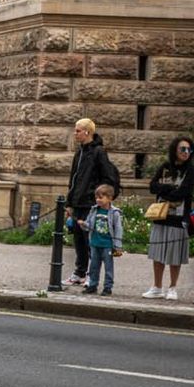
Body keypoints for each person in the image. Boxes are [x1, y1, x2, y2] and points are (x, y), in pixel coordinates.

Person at [63, 118, 120, 286]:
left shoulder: (98, 152)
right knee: (79, 240)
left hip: (91, 203)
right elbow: (73, 179)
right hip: (78, 202)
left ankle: (90, 274)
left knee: (90, 241)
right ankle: (79, 272)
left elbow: (107, 177)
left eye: (78, 130)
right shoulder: (79, 153)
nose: (75, 133)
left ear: (87, 132)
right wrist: (69, 202)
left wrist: (101, 198)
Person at [144, 136, 194, 299]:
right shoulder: (165, 167)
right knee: (158, 252)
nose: (186, 152)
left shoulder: (191, 170)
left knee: (174, 254)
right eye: (183, 149)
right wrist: (169, 188)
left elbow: (184, 192)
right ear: (175, 150)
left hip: (179, 217)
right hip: (161, 215)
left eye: (189, 149)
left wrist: (165, 191)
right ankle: (157, 286)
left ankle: (172, 287)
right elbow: (152, 187)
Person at [70, 184, 125, 295]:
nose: (98, 200)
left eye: (101, 197)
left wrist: (118, 246)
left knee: (108, 267)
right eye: (97, 198)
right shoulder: (94, 210)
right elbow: (90, 225)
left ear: (110, 198)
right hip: (95, 243)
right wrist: (83, 224)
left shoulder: (114, 213)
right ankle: (93, 285)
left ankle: (108, 287)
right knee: (94, 266)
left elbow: (118, 229)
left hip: (108, 245)